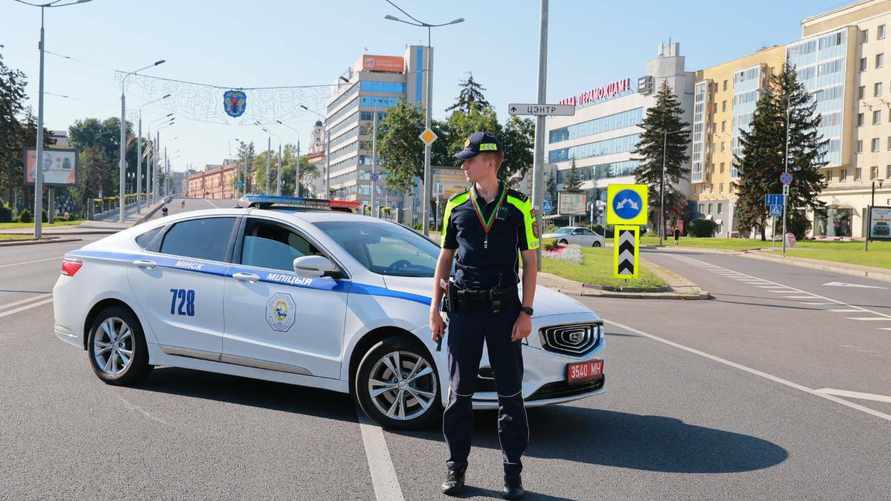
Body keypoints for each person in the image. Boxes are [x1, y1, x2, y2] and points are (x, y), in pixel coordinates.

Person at [430, 131, 539, 500]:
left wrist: (526, 311)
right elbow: (444, 259)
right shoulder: (456, 205)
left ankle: (513, 474)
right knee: (459, 395)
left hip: (505, 312)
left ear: (490, 162)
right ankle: (455, 468)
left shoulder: (519, 208)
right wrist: (434, 309)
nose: (463, 165)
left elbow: (530, 262)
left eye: (470, 159)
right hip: (463, 312)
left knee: (510, 395)